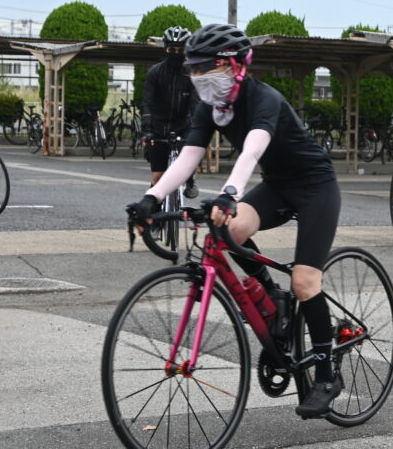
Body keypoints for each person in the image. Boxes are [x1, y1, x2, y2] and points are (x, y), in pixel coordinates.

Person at [129, 23, 343, 418]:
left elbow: (253, 148)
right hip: (278, 185)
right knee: (230, 230)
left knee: (305, 280)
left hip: (316, 187)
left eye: (204, 68)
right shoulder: (211, 108)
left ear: (233, 66)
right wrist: (151, 198)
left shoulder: (264, 98)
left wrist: (230, 192)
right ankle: (271, 297)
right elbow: (190, 156)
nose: (196, 77)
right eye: (192, 69)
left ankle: (327, 373)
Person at [141, 25, 199, 199]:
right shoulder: (155, 73)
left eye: (180, 49)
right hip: (158, 127)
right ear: (165, 49)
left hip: (183, 125)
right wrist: (147, 130)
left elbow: (196, 103)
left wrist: (198, 130)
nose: (176, 53)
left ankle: (190, 178)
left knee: (189, 160)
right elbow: (147, 103)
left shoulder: (192, 74)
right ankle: (153, 214)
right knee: (157, 178)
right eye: (172, 49)